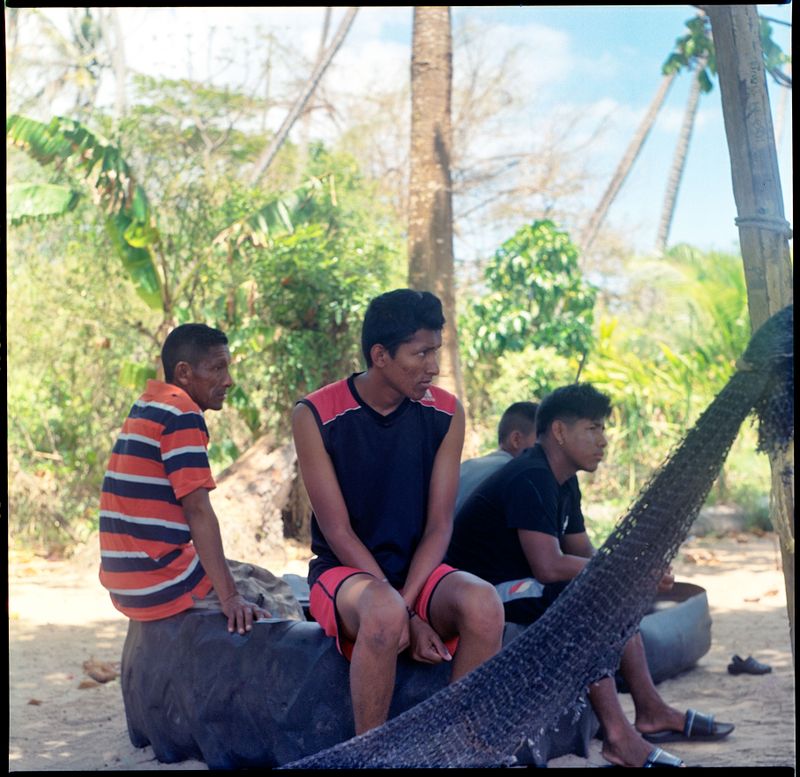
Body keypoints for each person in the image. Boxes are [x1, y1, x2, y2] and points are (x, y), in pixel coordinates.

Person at [446, 382, 734, 768]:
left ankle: (650, 710)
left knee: (612, 590)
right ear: (560, 432)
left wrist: (631, 572)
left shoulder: (564, 481)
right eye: (593, 428)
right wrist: (624, 571)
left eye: (603, 429)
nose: (603, 441)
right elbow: (548, 565)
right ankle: (618, 736)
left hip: (523, 587)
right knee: (589, 598)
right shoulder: (531, 476)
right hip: (483, 592)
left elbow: (583, 552)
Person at [292, 288, 505, 735]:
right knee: (384, 612)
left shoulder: (446, 412)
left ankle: (453, 746)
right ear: (381, 355)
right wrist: (402, 614)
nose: (433, 366)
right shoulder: (315, 414)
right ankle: (368, 753)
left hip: (418, 576)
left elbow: (439, 525)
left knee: (485, 604)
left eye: (437, 351)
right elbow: (338, 531)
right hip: (344, 573)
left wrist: (408, 603)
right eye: (420, 352)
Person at [99, 323, 269, 635]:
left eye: (227, 368)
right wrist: (230, 597)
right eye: (217, 368)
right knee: (275, 596)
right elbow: (197, 511)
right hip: (160, 578)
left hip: (124, 578)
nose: (228, 380)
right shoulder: (183, 413)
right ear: (184, 373)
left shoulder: (148, 403)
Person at [455, 400, 539, 514]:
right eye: (540, 441)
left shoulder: (466, 466)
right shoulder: (516, 475)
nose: (546, 449)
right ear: (516, 439)